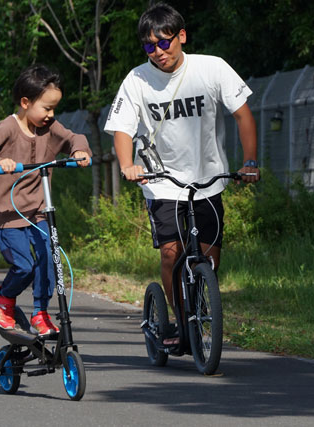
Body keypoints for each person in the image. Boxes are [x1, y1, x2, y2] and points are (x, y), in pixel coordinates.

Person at [104, 2, 260, 342]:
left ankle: (204, 313)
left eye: (164, 42)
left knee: (209, 259)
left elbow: (243, 115)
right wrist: (128, 165)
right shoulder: (137, 80)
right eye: (149, 45)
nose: (158, 51)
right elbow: (121, 130)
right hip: (162, 184)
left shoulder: (212, 69)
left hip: (208, 181)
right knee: (171, 253)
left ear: (182, 36)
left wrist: (249, 162)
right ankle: (179, 320)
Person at [0, 64, 92, 335]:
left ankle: (40, 313)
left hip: (38, 209)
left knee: (50, 256)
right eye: (46, 108)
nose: (51, 115)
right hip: (8, 212)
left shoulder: (49, 127)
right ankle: (4, 298)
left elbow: (74, 138)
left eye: (54, 109)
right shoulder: (8, 127)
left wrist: (80, 151)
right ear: (25, 103)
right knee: (24, 265)